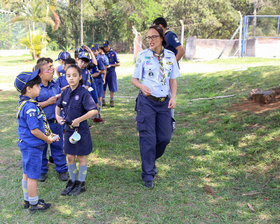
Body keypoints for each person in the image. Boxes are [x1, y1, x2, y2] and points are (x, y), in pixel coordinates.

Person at [131, 25, 180, 188]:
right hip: (147, 102)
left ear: (161, 38)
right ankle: (148, 174)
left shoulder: (170, 56)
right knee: (148, 139)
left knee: (165, 137)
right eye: (148, 38)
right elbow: (134, 79)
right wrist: (141, 87)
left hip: (164, 103)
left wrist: (173, 97)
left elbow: (172, 80)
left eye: (153, 37)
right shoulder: (143, 56)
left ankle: (150, 160)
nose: (150, 40)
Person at [15, 70, 57, 213]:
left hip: (27, 145)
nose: (40, 88)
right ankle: (34, 204)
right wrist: (48, 139)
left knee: (26, 173)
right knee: (33, 176)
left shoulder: (27, 103)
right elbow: (34, 130)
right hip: (32, 146)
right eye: (38, 86)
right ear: (29, 88)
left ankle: (28, 199)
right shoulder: (30, 107)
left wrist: (49, 133)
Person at [55, 64, 98, 196]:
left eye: (74, 75)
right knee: (69, 157)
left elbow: (94, 110)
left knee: (81, 157)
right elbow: (58, 105)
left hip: (80, 130)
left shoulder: (84, 93)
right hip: (68, 130)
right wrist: (57, 115)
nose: (71, 78)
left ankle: (81, 183)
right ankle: (72, 181)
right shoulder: (66, 92)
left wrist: (80, 119)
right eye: (68, 76)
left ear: (80, 77)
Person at [35, 58, 68, 182]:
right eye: (49, 68)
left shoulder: (55, 84)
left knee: (58, 146)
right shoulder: (35, 87)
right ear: (41, 73)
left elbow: (59, 103)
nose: (52, 70)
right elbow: (32, 106)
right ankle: (42, 170)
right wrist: (48, 102)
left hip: (55, 122)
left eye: (52, 67)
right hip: (42, 124)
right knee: (42, 147)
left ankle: (61, 169)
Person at [153, 17, 185, 130]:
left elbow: (181, 50)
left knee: (169, 95)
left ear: (161, 26)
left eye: (156, 27)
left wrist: (172, 64)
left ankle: (171, 121)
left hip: (169, 72)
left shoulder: (170, 35)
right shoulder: (161, 38)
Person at [102, 40, 120, 107]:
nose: (105, 48)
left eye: (106, 46)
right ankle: (103, 100)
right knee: (103, 87)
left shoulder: (113, 53)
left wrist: (111, 65)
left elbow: (118, 63)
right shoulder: (102, 53)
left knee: (112, 87)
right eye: (104, 47)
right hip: (103, 72)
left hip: (111, 72)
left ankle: (111, 100)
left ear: (109, 45)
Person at [91, 44, 106, 122]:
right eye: (92, 51)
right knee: (93, 98)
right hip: (92, 82)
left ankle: (98, 114)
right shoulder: (90, 59)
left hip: (98, 81)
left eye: (95, 51)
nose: (93, 52)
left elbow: (103, 70)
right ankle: (93, 114)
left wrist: (97, 72)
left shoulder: (99, 59)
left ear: (98, 51)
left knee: (99, 97)